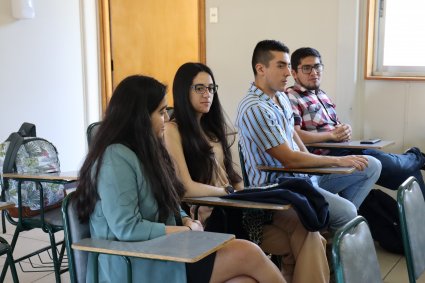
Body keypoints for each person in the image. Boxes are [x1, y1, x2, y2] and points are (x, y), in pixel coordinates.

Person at [74, 75, 285, 283]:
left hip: (164, 252)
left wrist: (185, 219)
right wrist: (182, 231)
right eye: (161, 112)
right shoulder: (115, 158)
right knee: (247, 252)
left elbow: (170, 201)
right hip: (134, 263)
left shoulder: (149, 151)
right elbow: (126, 228)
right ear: (140, 117)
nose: (166, 118)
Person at [165, 62, 330, 283]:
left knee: (307, 230)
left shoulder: (212, 128)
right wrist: (227, 192)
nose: (207, 94)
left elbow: (234, 178)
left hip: (236, 208)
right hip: (212, 218)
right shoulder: (172, 130)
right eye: (199, 88)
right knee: (310, 238)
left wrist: (249, 195)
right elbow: (185, 187)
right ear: (183, 91)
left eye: (211, 88)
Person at [236, 40, 382, 232]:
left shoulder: (280, 96)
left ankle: (327, 224)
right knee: (347, 212)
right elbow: (289, 159)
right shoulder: (255, 107)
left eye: (288, 66)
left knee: (371, 165)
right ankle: (334, 224)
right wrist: (338, 162)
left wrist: (314, 167)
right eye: (281, 66)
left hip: (302, 177)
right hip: (279, 187)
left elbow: (294, 136)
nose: (288, 72)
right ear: (260, 69)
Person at [287, 47, 425, 196]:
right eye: (307, 68)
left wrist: (344, 130)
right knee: (396, 165)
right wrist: (331, 136)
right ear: (294, 73)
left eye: (317, 67)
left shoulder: (322, 95)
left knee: (410, 174)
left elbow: (334, 128)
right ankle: (418, 156)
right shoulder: (291, 96)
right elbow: (295, 134)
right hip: (328, 157)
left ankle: (419, 217)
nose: (314, 73)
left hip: (345, 148)